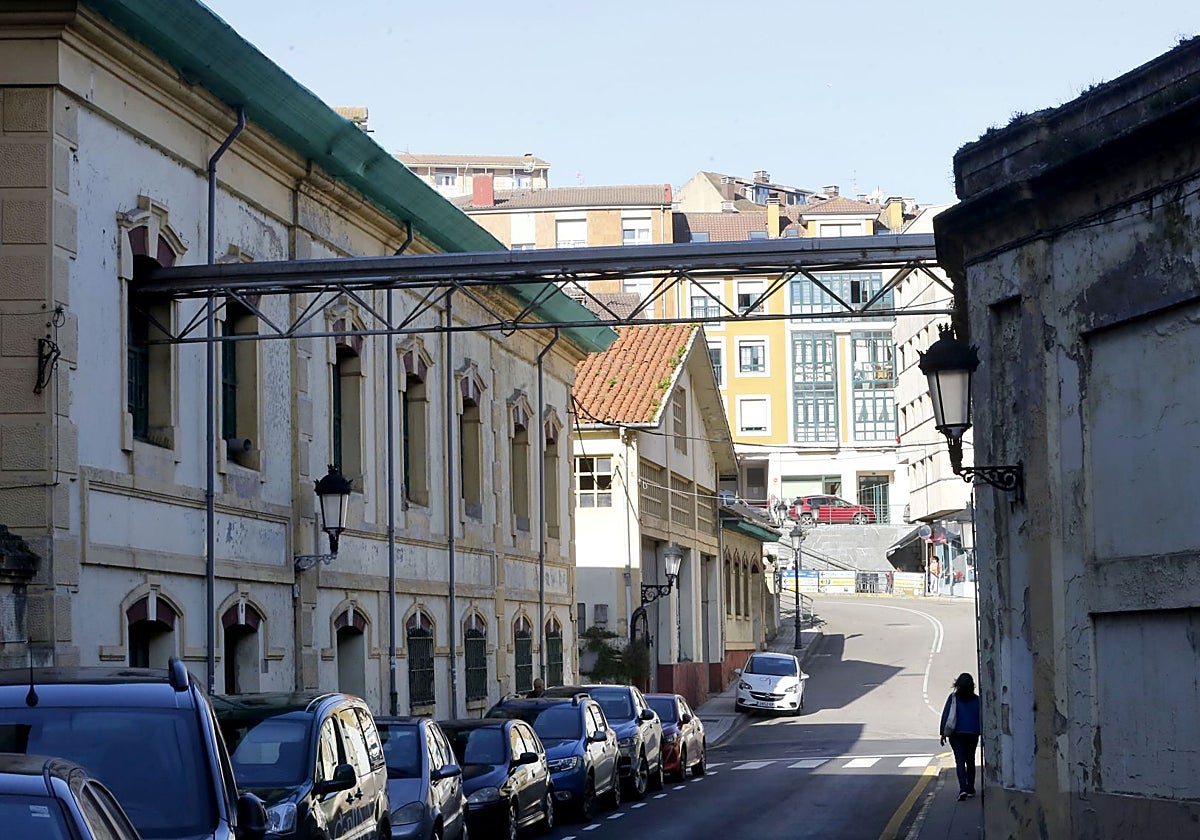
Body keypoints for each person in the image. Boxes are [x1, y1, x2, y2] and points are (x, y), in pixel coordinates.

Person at [940, 672, 981, 801]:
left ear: (957, 685)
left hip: (956, 734)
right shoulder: (977, 700)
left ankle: (963, 788)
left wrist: (943, 733)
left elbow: (946, 715)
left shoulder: (953, 698)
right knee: (970, 760)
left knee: (959, 761)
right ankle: (971, 788)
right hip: (973, 733)